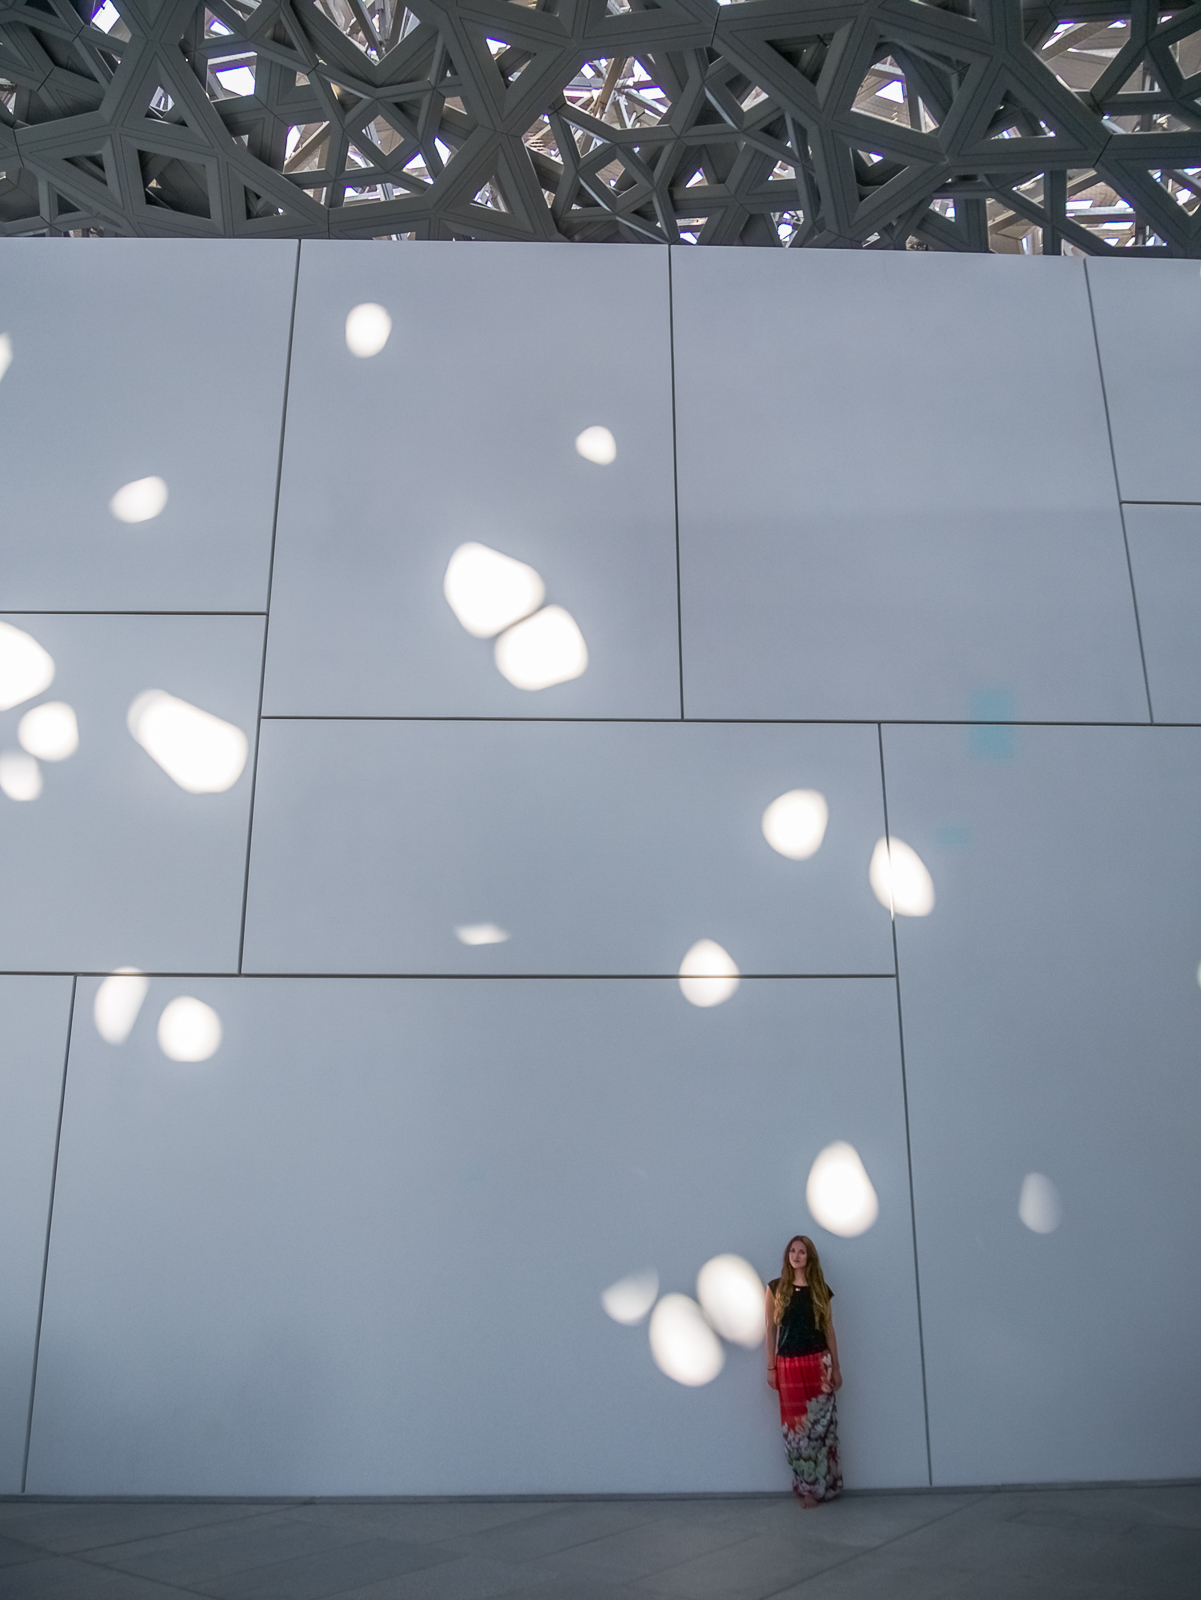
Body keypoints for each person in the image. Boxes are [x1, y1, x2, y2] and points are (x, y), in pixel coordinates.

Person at [766, 1234, 843, 1506]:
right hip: (788, 1365)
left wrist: (836, 1367)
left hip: (819, 1364)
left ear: (809, 1257)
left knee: (822, 1428)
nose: (796, 1256)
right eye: (792, 1251)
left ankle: (825, 1485)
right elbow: (770, 1329)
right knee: (796, 1431)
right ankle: (806, 1486)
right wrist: (771, 1366)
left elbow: (829, 1329)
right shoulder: (776, 1289)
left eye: (801, 1252)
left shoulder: (821, 1289)